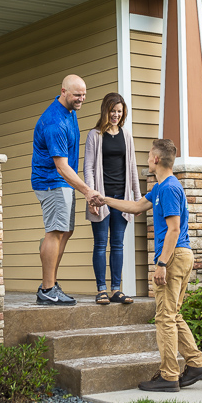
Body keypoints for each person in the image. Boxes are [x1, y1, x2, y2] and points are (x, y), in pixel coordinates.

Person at [92, 139, 202, 391]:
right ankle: (197, 364)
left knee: (164, 318)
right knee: (172, 314)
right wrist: (106, 200)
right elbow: (135, 207)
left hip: (174, 256)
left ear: (156, 159)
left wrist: (162, 263)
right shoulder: (160, 187)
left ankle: (169, 376)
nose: (146, 160)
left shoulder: (169, 188)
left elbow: (174, 228)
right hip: (179, 255)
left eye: (148, 156)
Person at [31, 75, 102, 306]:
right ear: (63, 91)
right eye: (76, 95)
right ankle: (47, 289)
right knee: (55, 231)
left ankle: (50, 283)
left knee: (64, 232)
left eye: (84, 95)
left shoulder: (70, 112)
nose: (81, 99)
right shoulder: (55, 122)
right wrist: (87, 191)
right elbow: (61, 166)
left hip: (63, 182)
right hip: (52, 181)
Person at [84, 93, 142, 305]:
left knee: (117, 244)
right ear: (105, 111)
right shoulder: (95, 135)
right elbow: (88, 168)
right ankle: (101, 290)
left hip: (122, 199)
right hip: (101, 199)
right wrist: (92, 197)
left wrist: (138, 198)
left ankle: (116, 289)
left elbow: (133, 169)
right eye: (113, 110)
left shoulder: (126, 136)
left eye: (119, 111)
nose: (116, 114)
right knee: (100, 244)